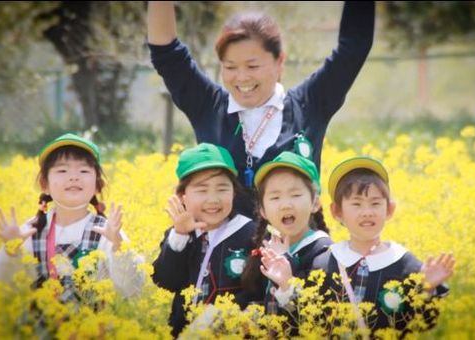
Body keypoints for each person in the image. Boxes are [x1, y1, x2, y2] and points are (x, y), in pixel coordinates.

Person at [147, 1, 374, 217]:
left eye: (253, 66)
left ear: (279, 62)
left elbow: (353, 47)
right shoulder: (207, 106)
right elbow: (166, 52)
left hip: (301, 256)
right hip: (223, 254)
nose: (242, 77)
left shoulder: (311, 104)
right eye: (230, 67)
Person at [262, 156, 455, 335]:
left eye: (375, 203)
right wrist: (286, 285)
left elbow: (423, 324)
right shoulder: (324, 262)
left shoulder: (406, 265)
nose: (367, 212)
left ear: (389, 209)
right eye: (356, 204)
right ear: (337, 212)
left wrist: (428, 290)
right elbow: (304, 320)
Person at [0, 133, 145, 301]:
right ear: (45, 184)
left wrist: (118, 246)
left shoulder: (107, 232)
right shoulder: (30, 232)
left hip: (95, 327)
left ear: (97, 185)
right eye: (62, 170)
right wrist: (11, 251)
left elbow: (132, 289)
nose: (74, 177)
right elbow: (4, 287)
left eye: (84, 170)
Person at [152, 143, 256, 337]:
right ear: (183, 197)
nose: (213, 199)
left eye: (222, 189)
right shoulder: (178, 234)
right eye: (202, 190)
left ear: (234, 192)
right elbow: (166, 282)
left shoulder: (250, 234)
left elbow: (257, 291)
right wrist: (180, 235)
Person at [240, 151, 332, 334]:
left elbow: (315, 319)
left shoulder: (324, 254)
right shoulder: (269, 247)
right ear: (263, 211)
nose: (285, 205)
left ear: (315, 203)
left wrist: (287, 278)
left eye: (295, 195)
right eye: (275, 197)